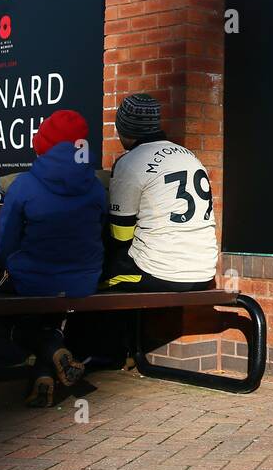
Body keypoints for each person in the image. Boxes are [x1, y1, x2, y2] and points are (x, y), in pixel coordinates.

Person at [65, 95, 218, 367]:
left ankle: (84, 354)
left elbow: (120, 234)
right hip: (205, 270)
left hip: (164, 272)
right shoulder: (189, 155)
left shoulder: (131, 162)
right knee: (121, 266)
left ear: (123, 128)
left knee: (88, 276)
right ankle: (117, 350)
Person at [0, 110, 106, 407]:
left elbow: (6, 242)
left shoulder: (24, 185)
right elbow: (99, 229)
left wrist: (13, 264)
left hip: (35, 279)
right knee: (50, 311)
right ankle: (44, 374)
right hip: (85, 280)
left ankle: (50, 348)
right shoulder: (95, 185)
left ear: (41, 144)